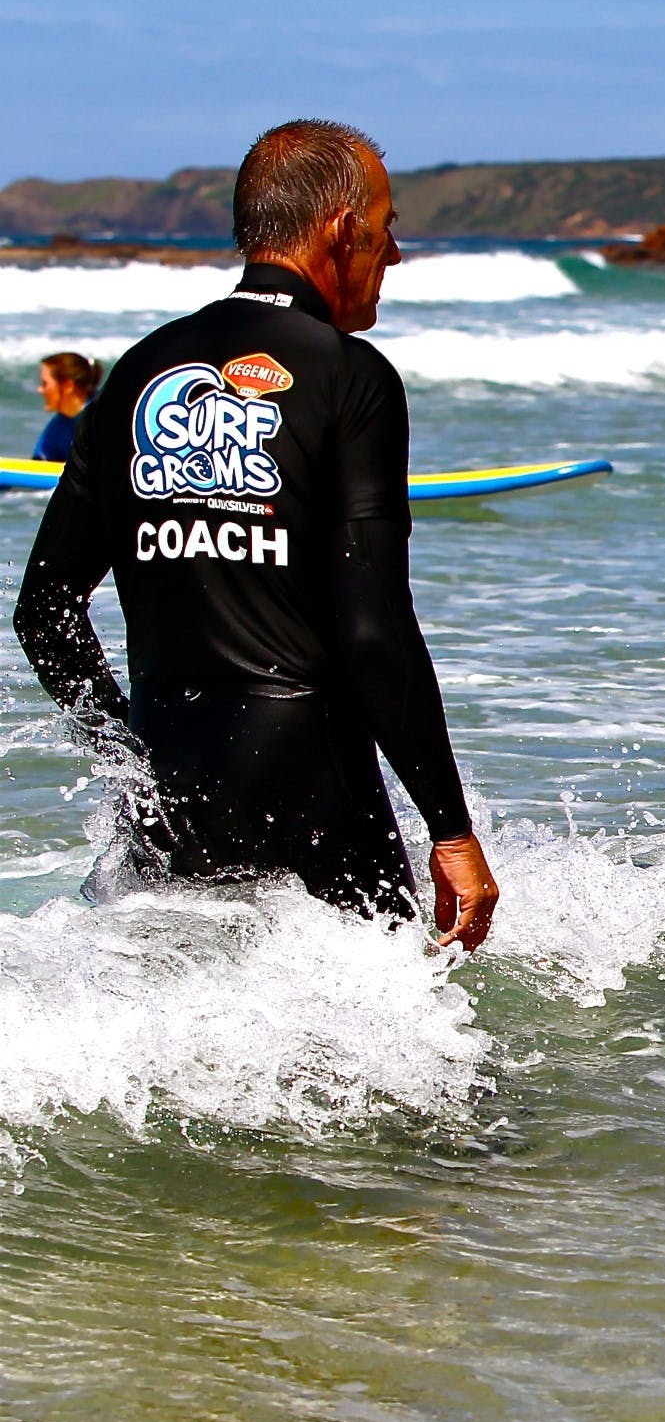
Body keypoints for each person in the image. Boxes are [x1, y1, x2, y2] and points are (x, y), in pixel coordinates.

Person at [12, 118, 499, 948]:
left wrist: (127, 756)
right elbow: (372, 629)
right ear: (344, 229)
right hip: (310, 774)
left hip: (170, 781)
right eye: (386, 229)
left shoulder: (134, 372)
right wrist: (450, 830)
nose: (395, 254)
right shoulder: (351, 377)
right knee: (411, 1056)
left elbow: (44, 609)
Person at [32, 353, 98, 462]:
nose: (40, 390)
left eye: (45, 384)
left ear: (68, 386)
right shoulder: (58, 425)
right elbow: (38, 465)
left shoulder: (101, 422)